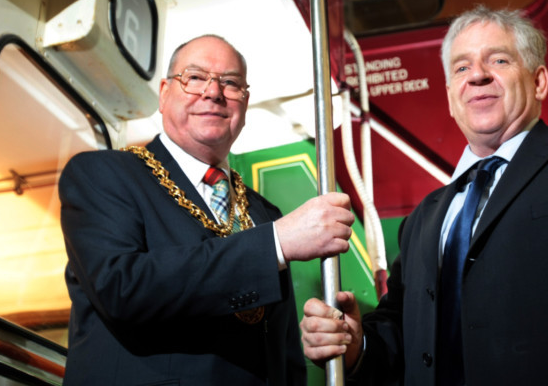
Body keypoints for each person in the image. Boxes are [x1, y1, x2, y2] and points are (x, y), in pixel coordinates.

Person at [300, 6, 548, 385]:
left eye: (498, 60)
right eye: (462, 66)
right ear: (450, 95)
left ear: (538, 80)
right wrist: (358, 345)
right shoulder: (422, 220)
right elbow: (404, 339)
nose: (477, 75)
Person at [60, 34, 355, 385]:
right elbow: (121, 288)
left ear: (244, 103)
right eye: (195, 77)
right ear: (165, 93)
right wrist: (274, 245)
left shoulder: (265, 213)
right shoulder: (104, 174)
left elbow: (283, 349)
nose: (213, 92)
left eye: (230, 83)